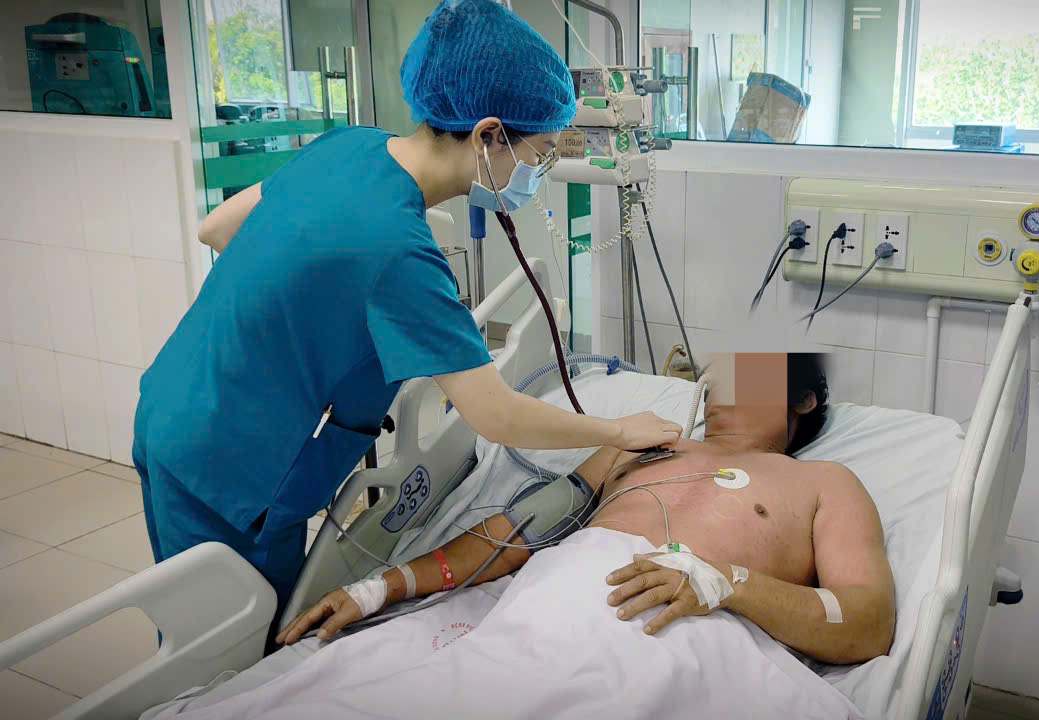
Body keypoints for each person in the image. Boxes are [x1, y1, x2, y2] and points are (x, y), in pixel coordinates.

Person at [132, 0, 680, 623]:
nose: (540, 171)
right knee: (230, 649)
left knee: (199, 620)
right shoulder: (399, 252)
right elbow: (496, 415)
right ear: (488, 135)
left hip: (172, 402)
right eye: (540, 153)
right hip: (229, 463)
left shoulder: (349, 146)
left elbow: (217, 228)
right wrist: (618, 433)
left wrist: (328, 302)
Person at [143, 353, 892, 719]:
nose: (724, 389)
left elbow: (865, 621)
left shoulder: (824, 484)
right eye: (720, 376)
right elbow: (515, 534)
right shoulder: (641, 446)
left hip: (677, 623)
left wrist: (724, 584)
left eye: (754, 376)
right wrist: (381, 587)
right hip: (555, 599)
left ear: (804, 400)